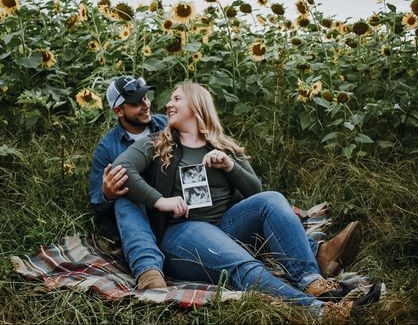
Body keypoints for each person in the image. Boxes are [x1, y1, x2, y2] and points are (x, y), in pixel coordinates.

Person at [111, 82, 380, 318]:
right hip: (183, 234)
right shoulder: (158, 143)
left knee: (273, 199)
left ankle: (311, 279)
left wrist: (229, 166)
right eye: (170, 99)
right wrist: (161, 201)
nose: (168, 104)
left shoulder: (223, 145)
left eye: (177, 98)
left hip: (228, 226)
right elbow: (121, 169)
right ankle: (317, 310)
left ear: (197, 105)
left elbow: (256, 190)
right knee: (243, 264)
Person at [88, 75, 170, 289]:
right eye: (135, 103)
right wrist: (107, 193)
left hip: (172, 204)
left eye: (146, 98)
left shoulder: (168, 125)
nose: (145, 105)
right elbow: (97, 202)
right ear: (118, 111)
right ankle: (149, 272)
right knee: (125, 196)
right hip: (138, 217)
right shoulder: (107, 147)